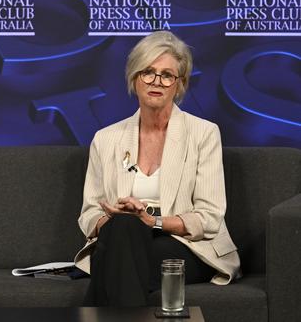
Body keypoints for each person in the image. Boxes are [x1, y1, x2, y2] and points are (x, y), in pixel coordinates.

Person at [74, 31, 241, 307]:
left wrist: (152, 222)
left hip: (185, 245)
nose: (156, 82)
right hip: (122, 239)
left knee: (115, 253)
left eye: (167, 75)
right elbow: (89, 214)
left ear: (180, 84)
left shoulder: (203, 134)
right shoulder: (106, 139)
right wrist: (113, 218)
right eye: (148, 72)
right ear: (134, 79)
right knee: (124, 229)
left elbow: (210, 217)